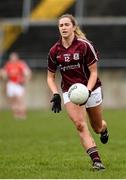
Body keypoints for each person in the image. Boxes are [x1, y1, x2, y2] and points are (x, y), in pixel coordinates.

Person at [47, 14, 109, 170]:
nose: (64, 28)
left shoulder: (85, 45)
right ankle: (96, 161)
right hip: (70, 91)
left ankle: (104, 128)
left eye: (67, 24)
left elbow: (94, 72)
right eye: (61, 25)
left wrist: (87, 91)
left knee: (96, 127)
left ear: (74, 27)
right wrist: (55, 94)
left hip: (91, 88)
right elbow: (50, 77)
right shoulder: (55, 50)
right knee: (80, 125)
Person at [1, 52, 32, 119]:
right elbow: (4, 73)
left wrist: (26, 80)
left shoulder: (20, 64)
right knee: (13, 100)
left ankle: (23, 114)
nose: (13, 59)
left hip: (19, 84)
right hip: (11, 84)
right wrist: (3, 75)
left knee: (20, 99)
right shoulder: (8, 65)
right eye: (12, 58)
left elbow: (27, 72)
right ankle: (16, 114)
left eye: (14, 57)